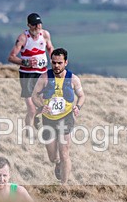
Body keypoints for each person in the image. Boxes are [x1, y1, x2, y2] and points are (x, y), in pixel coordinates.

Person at [30, 48, 85, 183]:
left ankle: (64, 185)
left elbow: (81, 96)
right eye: (54, 63)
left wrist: (77, 107)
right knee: (52, 156)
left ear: (66, 62)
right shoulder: (44, 78)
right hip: (49, 119)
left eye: (59, 63)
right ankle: (57, 162)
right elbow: (34, 95)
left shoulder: (73, 79)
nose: (56, 66)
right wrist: (41, 106)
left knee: (64, 152)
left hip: (66, 118)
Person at [8, 12, 53, 131]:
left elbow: (50, 48)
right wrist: (25, 62)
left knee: (44, 104)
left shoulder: (45, 34)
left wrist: (55, 60)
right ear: (29, 25)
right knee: (31, 109)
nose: (38, 27)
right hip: (27, 75)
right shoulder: (23, 38)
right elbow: (11, 57)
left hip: (42, 73)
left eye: (39, 24)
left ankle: (35, 119)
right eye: (34, 25)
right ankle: (28, 131)